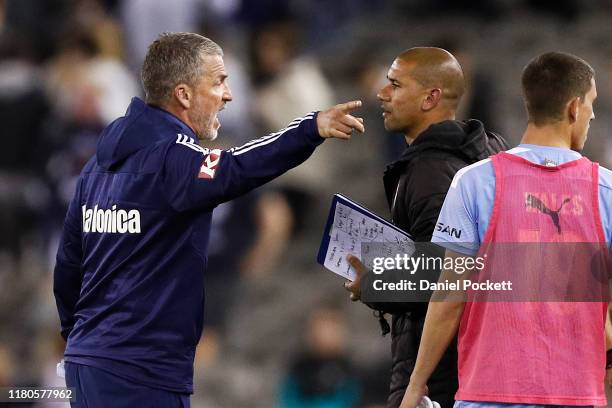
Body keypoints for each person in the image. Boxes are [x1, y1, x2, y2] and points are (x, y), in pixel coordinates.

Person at [52, 32, 365, 408]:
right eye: (218, 81)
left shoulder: (95, 167)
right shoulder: (174, 159)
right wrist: (309, 129)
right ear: (184, 95)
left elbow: (68, 265)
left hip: (87, 364)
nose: (228, 95)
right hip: (141, 371)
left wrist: (77, 336)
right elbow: (237, 166)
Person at [400, 52, 612, 408]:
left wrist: (416, 382)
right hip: (575, 394)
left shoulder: (475, 182)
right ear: (575, 107)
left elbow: (450, 294)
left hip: (488, 393)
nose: (592, 115)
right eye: (591, 104)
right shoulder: (606, 191)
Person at [344, 47, 508, 408]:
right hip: (485, 362)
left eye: (395, 85)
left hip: (441, 376)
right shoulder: (489, 154)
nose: (382, 94)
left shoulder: (431, 170)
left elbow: (445, 274)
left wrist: (372, 283)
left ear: (431, 97)